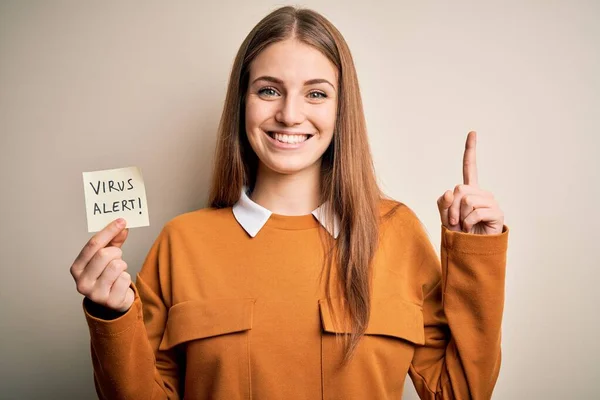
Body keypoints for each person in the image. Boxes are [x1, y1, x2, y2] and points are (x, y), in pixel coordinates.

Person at [70, 6, 508, 400]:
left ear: (341, 109)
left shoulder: (397, 231)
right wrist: (113, 315)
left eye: (316, 93)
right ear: (242, 102)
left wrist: (476, 260)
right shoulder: (181, 242)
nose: (290, 115)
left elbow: (459, 395)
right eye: (268, 90)